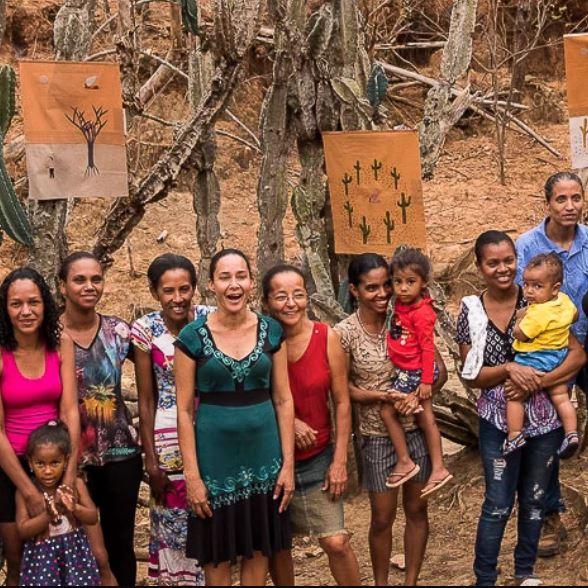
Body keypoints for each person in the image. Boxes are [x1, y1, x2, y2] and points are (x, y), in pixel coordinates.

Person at [457, 230, 585, 586]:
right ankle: (484, 576)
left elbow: (577, 354)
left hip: (545, 418)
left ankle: (524, 571)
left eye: (508, 260)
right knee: (498, 502)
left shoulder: (541, 300)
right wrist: (509, 368)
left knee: (535, 498)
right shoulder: (472, 311)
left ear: (518, 260)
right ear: (479, 266)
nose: (503, 269)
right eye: (492, 263)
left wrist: (540, 381)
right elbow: (471, 375)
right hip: (499, 419)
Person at [175, 248, 294, 586]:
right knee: (217, 555)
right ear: (211, 285)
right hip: (214, 465)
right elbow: (184, 410)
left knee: (259, 552)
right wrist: (193, 477)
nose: (234, 284)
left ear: (251, 282)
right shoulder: (191, 338)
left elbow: (284, 399)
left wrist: (287, 466)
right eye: (224, 277)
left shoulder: (271, 331)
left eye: (241, 276)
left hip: (265, 462)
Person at [334, 253, 447, 586]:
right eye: (372, 288)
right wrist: (384, 397)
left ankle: (411, 581)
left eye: (387, 284)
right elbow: (345, 392)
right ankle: (381, 582)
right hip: (377, 436)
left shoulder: (406, 314)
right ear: (354, 290)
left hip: (415, 430)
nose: (383, 293)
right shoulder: (344, 334)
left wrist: (417, 397)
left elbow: (436, 370)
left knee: (416, 510)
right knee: (382, 518)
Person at [263, 264, 361, 586]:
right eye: (281, 296)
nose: (290, 303)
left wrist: (339, 461)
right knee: (278, 548)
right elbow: (250, 396)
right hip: (272, 460)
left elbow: (342, 401)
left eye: (298, 295)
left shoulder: (325, 337)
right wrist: (290, 421)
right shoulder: (260, 341)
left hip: (318, 457)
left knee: (336, 541)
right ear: (266, 302)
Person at [515, 171, 588, 556]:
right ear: (548, 203)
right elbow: (516, 301)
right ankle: (549, 511)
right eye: (561, 199)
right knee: (545, 434)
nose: (570, 206)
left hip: (584, 344)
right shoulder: (527, 246)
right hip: (545, 354)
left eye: (576, 198)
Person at [59, 251, 142, 586]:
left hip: (120, 454)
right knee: (73, 543)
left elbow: (154, 384)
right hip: (66, 459)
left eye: (96, 279)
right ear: (62, 286)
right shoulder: (48, 334)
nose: (89, 286)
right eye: (79, 279)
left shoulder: (119, 332)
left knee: (120, 541)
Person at [132, 254, 210, 585]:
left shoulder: (211, 319)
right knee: (173, 524)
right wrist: (150, 459)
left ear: (194, 288)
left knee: (210, 518)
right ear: (155, 292)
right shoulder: (145, 330)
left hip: (210, 433)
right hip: (166, 442)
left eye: (184, 289)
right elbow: (146, 399)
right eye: (168, 291)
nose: (177, 298)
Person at [0, 267, 80, 586]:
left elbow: (70, 411)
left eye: (33, 302)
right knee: (17, 558)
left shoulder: (60, 344)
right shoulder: (2, 354)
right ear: (4, 309)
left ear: (45, 304)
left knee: (66, 554)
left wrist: (69, 477)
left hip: (57, 462)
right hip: (11, 468)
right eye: (15, 304)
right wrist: (28, 488)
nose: (26, 311)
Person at [381, 248, 452, 497]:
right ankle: (438, 468)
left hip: (415, 371)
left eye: (410, 282)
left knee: (388, 411)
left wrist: (424, 383)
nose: (402, 288)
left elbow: (427, 347)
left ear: (423, 283)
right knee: (425, 417)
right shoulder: (400, 304)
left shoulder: (422, 312)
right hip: (407, 369)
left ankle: (406, 461)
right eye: (397, 282)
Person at [505, 253, 578, 458]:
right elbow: (575, 315)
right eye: (526, 284)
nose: (529, 291)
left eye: (537, 286)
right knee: (561, 396)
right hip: (558, 356)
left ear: (554, 287)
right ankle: (571, 433)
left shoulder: (536, 313)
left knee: (514, 396)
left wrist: (520, 318)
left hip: (535, 358)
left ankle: (514, 434)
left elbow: (521, 335)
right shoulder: (564, 301)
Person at [16, 421, 101, 587]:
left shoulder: (76, 485)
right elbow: (22, 530)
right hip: (41, 563)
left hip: (76, 558)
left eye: (55, 463)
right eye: (40, 464)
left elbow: (92, 517)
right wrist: (47, 515)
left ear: (66, 461)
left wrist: (75, 508)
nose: (48, 471)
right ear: (30, 463)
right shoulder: (26, 493)